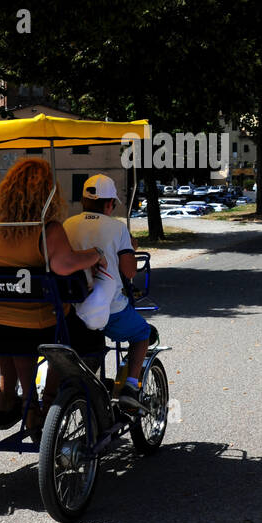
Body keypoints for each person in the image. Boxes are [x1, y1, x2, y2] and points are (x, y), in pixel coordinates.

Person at [0, 158, 105, 429]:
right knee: (68, 329)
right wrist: (95, 255)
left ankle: (8, 396)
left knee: (10, 325)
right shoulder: (49, 230)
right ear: (48, 192)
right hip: (35, 324)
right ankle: (44, 400)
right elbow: (63, 264)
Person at [63, 174, 150, 411]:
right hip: (109, 308)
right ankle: (131, 385)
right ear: (110, 204)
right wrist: (130, 249)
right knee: (142, 333)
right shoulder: (117, 228)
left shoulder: (66, 225)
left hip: (71, 307)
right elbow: (129, 271)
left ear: (83, 200)